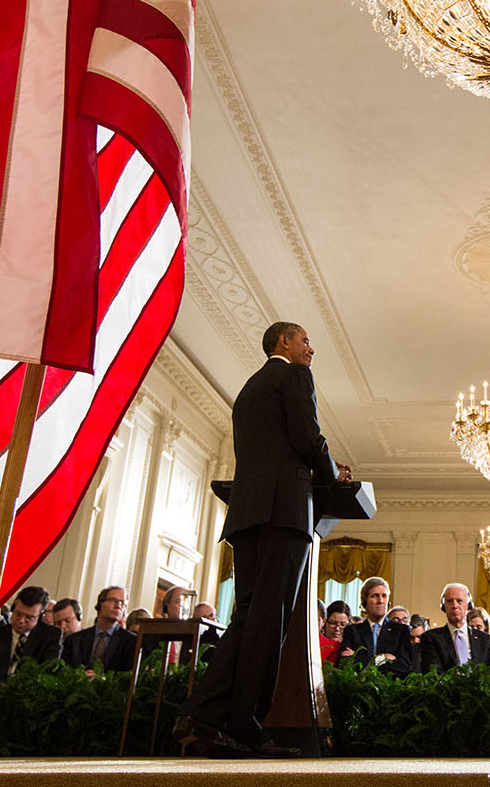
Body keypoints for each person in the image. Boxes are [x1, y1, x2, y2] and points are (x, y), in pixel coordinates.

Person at [174, 322, 349, 759]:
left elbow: (274, 447)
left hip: (248, 516)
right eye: (305, 340)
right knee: (269, 623)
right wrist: (332, 473)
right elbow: (308, 437)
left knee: (249, 619)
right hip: (283, 513)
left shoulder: (249, 389)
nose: (311, 349)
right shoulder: (293, 375)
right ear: (283, 343)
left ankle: (207, 719)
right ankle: (240, 724)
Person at [419, 583, 490, 675]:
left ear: (468, 606)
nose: (455, 606)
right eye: (449, 601)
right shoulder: (431, 638)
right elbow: (432, 674)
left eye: (459, 601)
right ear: (444, 607)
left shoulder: (485, 640)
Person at [0, 585, 62, 679]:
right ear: (13, 609)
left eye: (29, 617)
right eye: (18, 614)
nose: (21, 620)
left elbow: (47, 673)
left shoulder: (51, 636)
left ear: (40, 616)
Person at [338, 576, 413, 675]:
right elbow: (345, 663)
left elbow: (404, 667)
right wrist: (383, 658)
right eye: (375, 596)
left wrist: (360, 659)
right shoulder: (352, 631)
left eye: (384, 596)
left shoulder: (401, 630)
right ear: (364, 602)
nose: (381, 601)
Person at [64, 586, 136, 671]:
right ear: (100, 604)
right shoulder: (75, 640)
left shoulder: (131, 641)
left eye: (123, 603)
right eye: (114, 600)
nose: (118, 606)